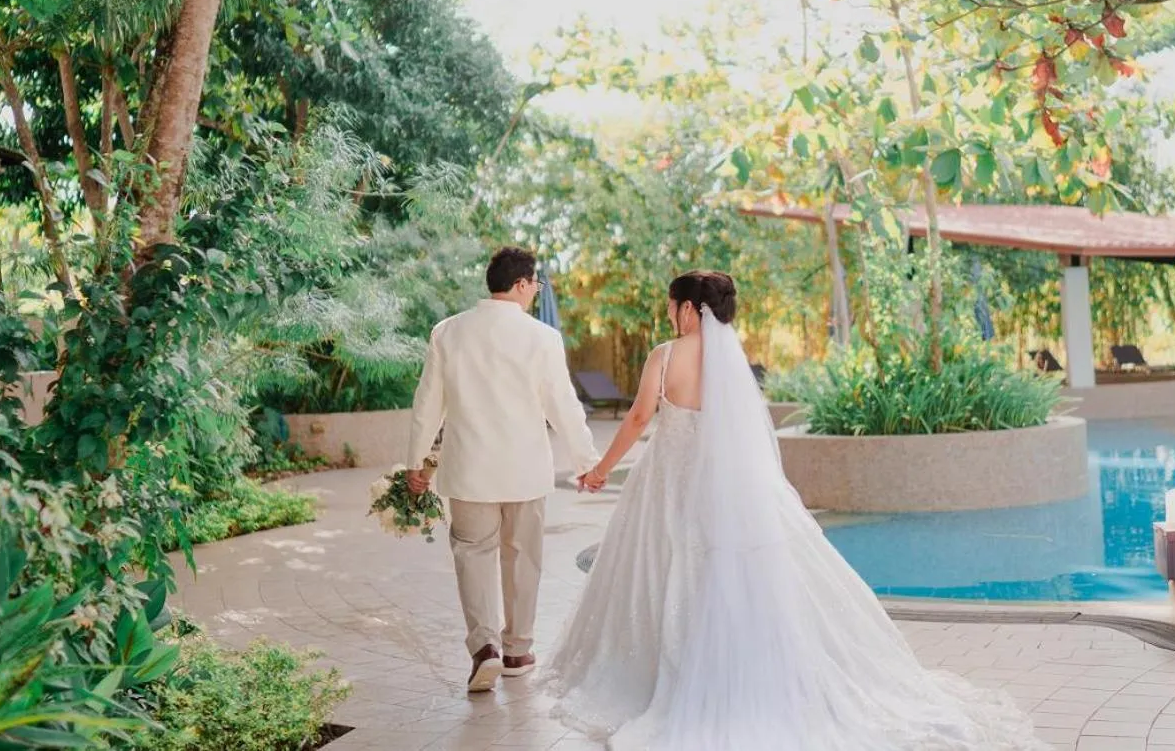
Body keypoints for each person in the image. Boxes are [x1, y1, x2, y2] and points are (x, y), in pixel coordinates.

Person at [547, 270, 1045, 751]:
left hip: (670, 480)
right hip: (729, 483)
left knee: (665, 567)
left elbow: (638, 417)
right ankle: (738, 664)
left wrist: (600, 469)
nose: (670, 315)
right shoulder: (731, 361)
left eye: (673, 306)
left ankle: (663, 669)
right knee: (732, 570)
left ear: (692, 311)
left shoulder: (666, 354)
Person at [406, 246, 599, 694]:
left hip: (469, 470)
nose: (536, 291)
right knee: (522, 559)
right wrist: (587, 462)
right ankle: (517, 651)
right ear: (520, 284)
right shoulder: (542, 338)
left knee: (472, 556)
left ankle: (484, 649)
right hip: (524, 471)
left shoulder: (447, 332)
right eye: (535, 284)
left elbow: (426, 405)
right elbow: (564, 407)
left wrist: (415, 465)